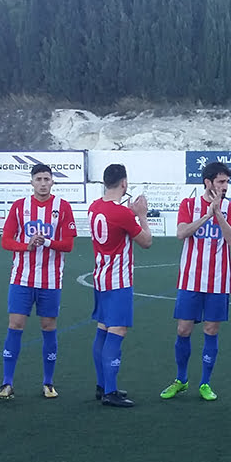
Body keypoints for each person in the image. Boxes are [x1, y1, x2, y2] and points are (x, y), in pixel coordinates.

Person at [0, 163, 77, 400]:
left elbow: (69, 245)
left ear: (52, 182)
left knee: (48, 327)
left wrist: (47, 242)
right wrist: (26, 246)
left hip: (50, 280)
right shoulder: (20, 207)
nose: (43, 183)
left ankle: (48, 383)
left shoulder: (62, 207)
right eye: (38, 178)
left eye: (46, 179)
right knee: (16, 325)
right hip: (21, 278)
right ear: (31, 182)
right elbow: (6, 240)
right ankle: (6, 383)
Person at [159, 162, 231, 402]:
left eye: (227, 182)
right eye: (221, 182)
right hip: (190, 278)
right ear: (208, 182)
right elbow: (181, 233)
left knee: (210, 330)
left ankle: (205, 383)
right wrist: (207, 215)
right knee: (183, 329)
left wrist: (218, 213)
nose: (225, 187)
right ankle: (181, 379)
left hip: (218, 280)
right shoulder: (188, 204)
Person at [89, 164, 152, 407]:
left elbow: (114, 218)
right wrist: (142, 215)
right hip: (118, 280)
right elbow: (146, 241)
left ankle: (102, 384)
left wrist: (130, 213)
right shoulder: (123, 214)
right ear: (124, 184)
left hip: (100, 277)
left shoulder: (95, 207)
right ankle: (110, 391)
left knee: (103, 329)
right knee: (117, 331)